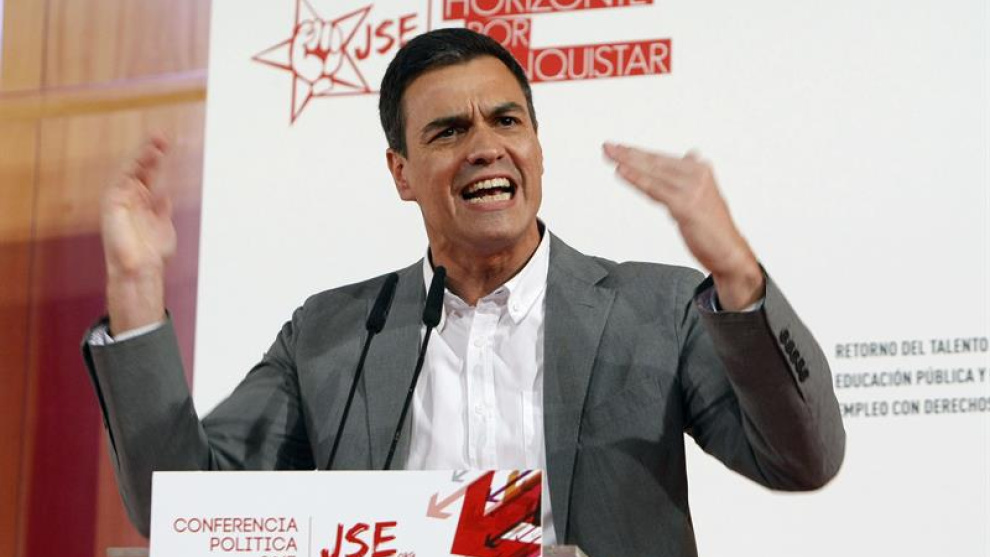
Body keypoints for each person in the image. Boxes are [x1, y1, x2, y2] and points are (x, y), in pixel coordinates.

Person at [83, 28, 844, 557]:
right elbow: (179, 505)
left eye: (506, 120)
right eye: (448, 131)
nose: (485, 145)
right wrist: (137, 287)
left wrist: (737, 273)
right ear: (402, 173)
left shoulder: (656, 309)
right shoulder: (331, 334)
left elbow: (802, 458)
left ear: (535, 148)